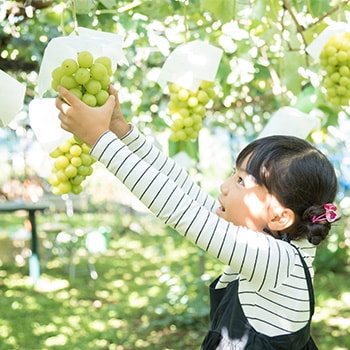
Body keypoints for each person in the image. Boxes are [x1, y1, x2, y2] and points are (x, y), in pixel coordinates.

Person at [55, 85, 339, 350]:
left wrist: (99, 140)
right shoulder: (279, 241)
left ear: (278, 217)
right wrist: (121, 132)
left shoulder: (277, 261)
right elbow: (184, 190)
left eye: (241, 181)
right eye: (233, 173)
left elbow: (181, 210)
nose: (224, 186)